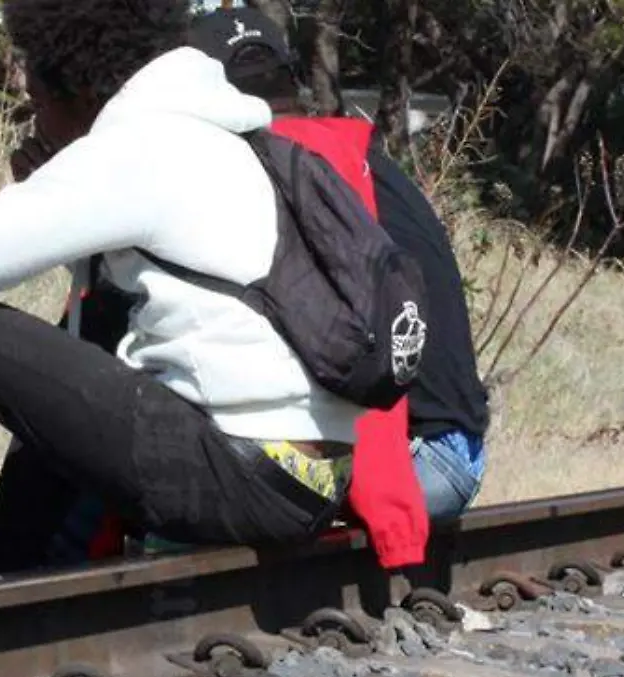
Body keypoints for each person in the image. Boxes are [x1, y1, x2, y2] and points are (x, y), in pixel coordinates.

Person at [0, 0, 363, 599]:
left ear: (76, 86)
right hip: (304, 476)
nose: (36, 126)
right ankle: (4, 564)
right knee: (75, 341)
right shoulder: (224, 135)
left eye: (39, 105)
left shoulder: (143, 146)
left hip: (245, 477)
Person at [187, 8, 491, 522]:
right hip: (457, 450)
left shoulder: (268, 169)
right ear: (295, 80)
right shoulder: (350, 154)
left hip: (418, 462)